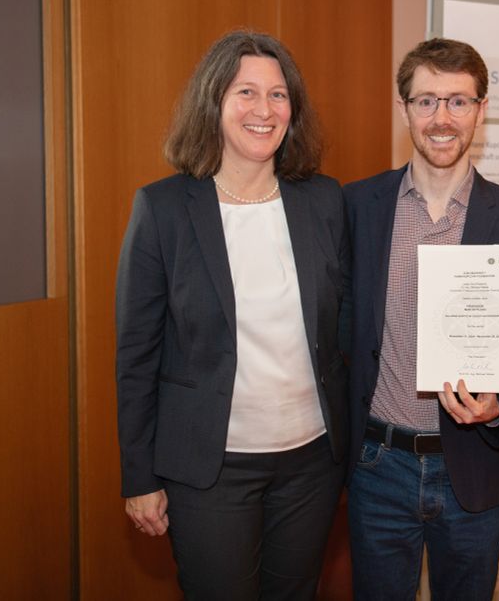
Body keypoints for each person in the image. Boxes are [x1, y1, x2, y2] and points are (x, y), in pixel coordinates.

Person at [115, 30, 349, 600]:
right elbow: (136, 354)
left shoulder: (322, 200)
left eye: (278, 95)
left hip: (311, 462)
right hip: (209, 467)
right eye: (246, 92)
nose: (263, 110)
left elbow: (343, 331)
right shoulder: (164, 208)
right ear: (214, 102)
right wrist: (139, 476)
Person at [342, 38, 499, 601]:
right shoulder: (356, 207)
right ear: (403, 107)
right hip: (376, 465)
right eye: (426, 100)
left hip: (473, 466)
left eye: (458, 102)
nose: (441, 119)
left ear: (481, 109)